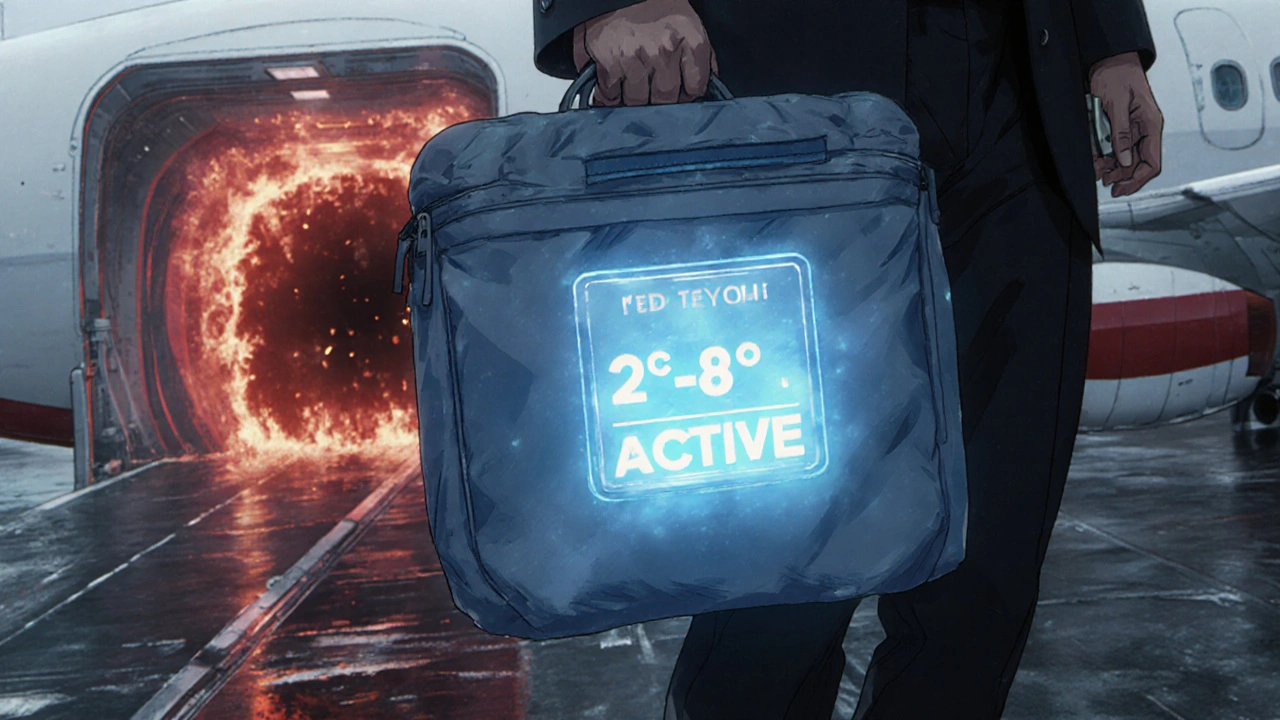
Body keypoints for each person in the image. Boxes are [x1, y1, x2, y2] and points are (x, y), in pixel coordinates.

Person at [532, 1, 1164, 717]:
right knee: (782, 573)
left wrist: (1109, 44)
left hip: (1020, 96)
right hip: (789, 83)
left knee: (990, 570)